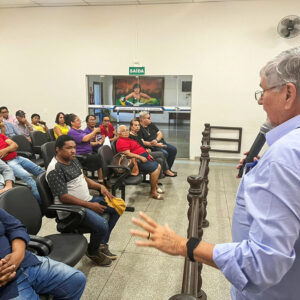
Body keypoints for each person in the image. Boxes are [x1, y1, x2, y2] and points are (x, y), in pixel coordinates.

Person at [131, 48, 300, 300]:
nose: (259, 100)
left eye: (262, 91)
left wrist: (184, 245)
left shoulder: (287, 155)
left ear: (288, 93)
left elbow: (261, 265)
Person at [46, 135, 122, 267]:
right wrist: (90, 205)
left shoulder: (72, 160)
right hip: (72, 210)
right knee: (102, 224)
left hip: (87, 200)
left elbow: (83, 178)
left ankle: (101, 244)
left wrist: (99, 186)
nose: (73, 151)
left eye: (74, 147)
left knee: (118, 207)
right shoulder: (55, 169)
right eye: (69, 148)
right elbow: (64, 197)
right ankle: (93, 251)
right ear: (58, 149)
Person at [0, 208, 86, 300]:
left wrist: (18, 253)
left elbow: (15, 226)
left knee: (76, 280)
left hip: (25, 262)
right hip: (5, 287)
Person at [116, 125, 163, 200]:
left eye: (127, 130)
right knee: (155, 170)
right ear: (118, 134)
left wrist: (148, 155)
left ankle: (155, 186)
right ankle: (153, 192)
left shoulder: (128, 139)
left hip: (143, 156)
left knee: (159, 166)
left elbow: (139, 148)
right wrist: (141, 157)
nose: (126, 132)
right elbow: (128, 154)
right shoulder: (121, 141)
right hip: (136, 161)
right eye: (123, 131)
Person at [0, 133, 44, 203]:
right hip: (8, 162)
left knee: (40, 171)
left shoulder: (1, 135)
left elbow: (15, 145)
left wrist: (4, 150)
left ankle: (50, 191)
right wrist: (9, 148)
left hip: (18, 157)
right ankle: (41, 200)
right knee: (27, 177)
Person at [66, 113, 103, 182]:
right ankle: (100, 182)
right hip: (80, 156)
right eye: (77, 120)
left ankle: (101, 180)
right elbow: (85, 139)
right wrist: (94, 131)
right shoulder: (72, 132)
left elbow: (88, 142)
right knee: (100, 158)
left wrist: (97, 142)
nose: (80, 121)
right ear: (72, 123)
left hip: (87, 153)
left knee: (101, 157)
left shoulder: (80, 131)